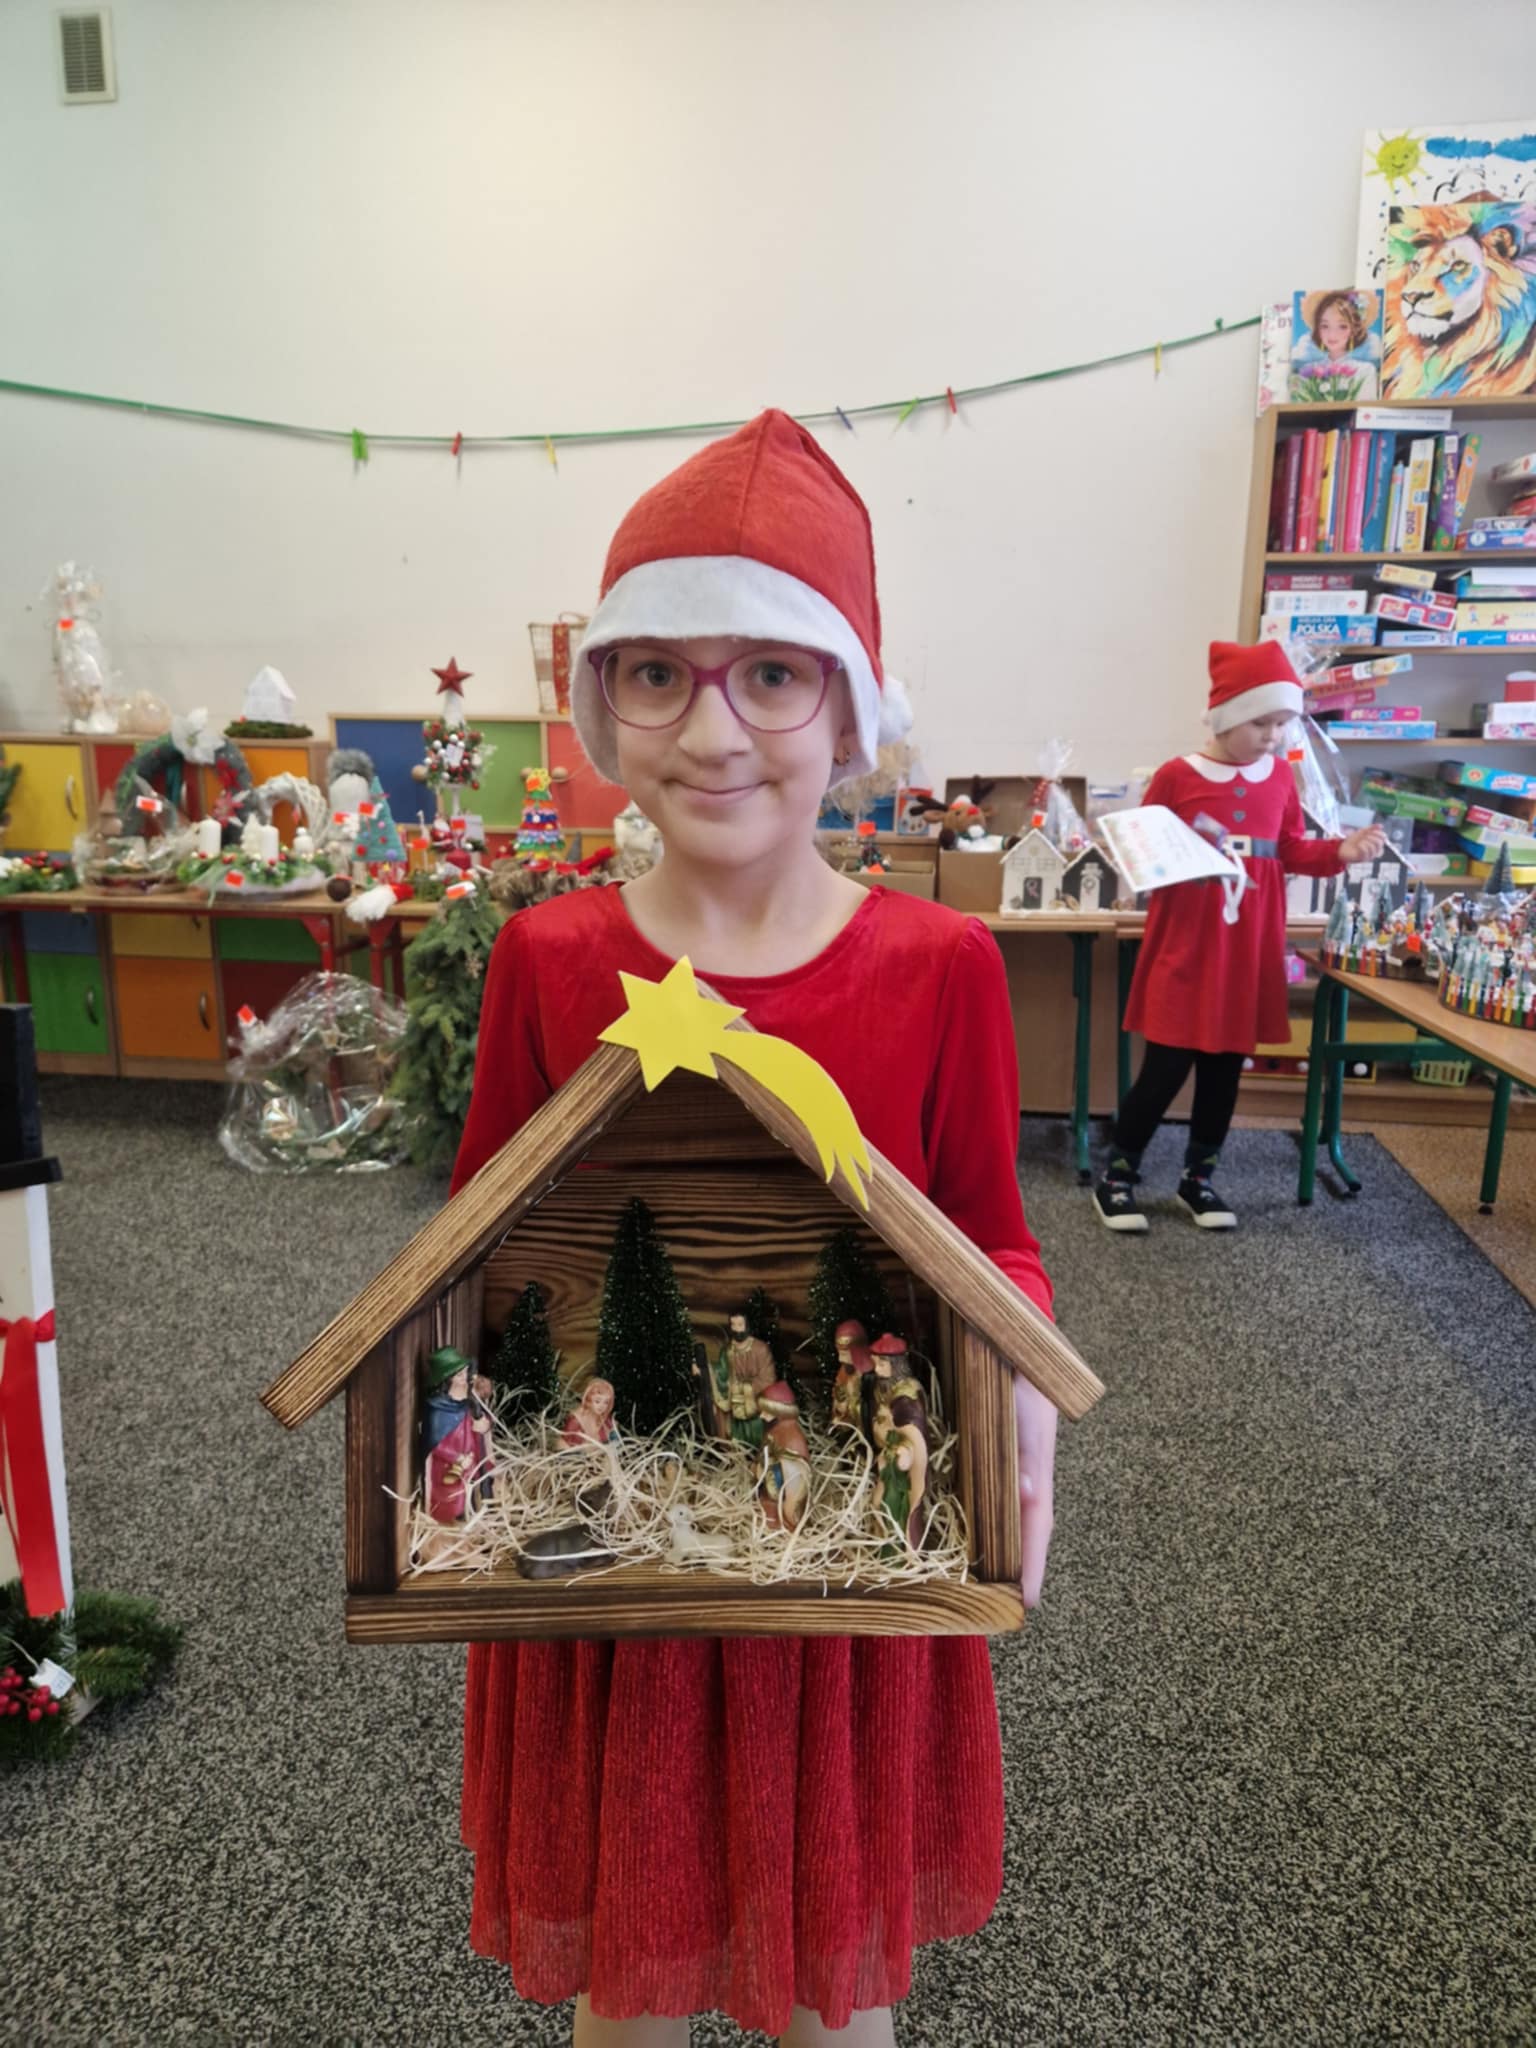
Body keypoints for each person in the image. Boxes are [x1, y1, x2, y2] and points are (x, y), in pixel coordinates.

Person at [450, 410, 1058, 2047]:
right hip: (616, 1570)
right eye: (660, 673)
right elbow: (483, 1241)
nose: (713, 729)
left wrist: (1020, 1380)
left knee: (824, 1974)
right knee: (631, 1967)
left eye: (771, 674)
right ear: (606, 703)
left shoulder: (939, 968)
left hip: (840, 1574)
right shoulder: (549, 960)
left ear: (848, 707)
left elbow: (989, 1232)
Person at [1096, 639, 1385, 1234]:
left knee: (1225, 1071)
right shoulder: (1177, 776)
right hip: (1186, 949)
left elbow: (1291, 849)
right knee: (1164, 1069)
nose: (1273, 736)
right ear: (1226, 718)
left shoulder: (1279, 777)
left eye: (1281, 724)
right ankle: (1117, 1178)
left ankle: (1198, 1179)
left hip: (1245, 954)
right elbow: (1141, 852)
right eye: (1261, 723)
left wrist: (1341, 851)